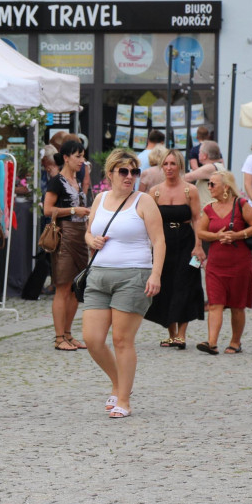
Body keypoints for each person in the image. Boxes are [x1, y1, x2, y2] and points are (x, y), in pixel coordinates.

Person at [82, 149, 165, 419]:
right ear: (110, 174)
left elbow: (159, 241)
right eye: (124, 171)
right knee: (92, 339)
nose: (130, 177)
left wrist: (155, 274)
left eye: (134, 171)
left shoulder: (144, 201)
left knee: (121, 340)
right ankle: (118, 383)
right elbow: (89, 231)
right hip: (99, 275)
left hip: (133, 275)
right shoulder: (100, 198)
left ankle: (124, 400)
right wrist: (90, 241)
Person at [144, 149, 205, 348]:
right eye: (166, 164)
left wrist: (198, 245)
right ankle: (171, 334)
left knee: (185, 284)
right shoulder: (155, 191)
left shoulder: (190, 190)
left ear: (179, 166)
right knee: (165, 285)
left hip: (186, 241)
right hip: (163, 243)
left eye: (173, 164)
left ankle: (181, 334)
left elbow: (197, 219)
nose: (169, 168)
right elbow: (148, 220)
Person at [197, 170, 252, 354]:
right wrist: (217, 236)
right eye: (209, 184)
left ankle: (235, 342)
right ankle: (212, 342)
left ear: (225, 187)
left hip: (239, 263)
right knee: (215, 303)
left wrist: (237, 235)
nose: (209, 187)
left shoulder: (240, 204)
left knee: (237, 305)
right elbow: (200, 232)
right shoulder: (209, 208)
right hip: (215, 264)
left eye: (212, 184)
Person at [43, 139, 91, 351]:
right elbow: (47, 209)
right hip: (65, 235)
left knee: (75, 288)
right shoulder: (57, 181)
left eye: (82, 156)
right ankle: (59, 336)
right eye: (78, 156)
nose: (82, 160)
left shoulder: (77, 180)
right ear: (66, 158)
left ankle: (69, 334)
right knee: (62, 287)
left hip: (80, 235)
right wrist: (73, 211)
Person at [184, 141, 225, 207]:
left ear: (204, 156)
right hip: (211, 209)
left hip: (208, 211)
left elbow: (188, 177)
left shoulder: (211, 167)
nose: (198, 154)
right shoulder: (219, 165)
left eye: (200, 152)